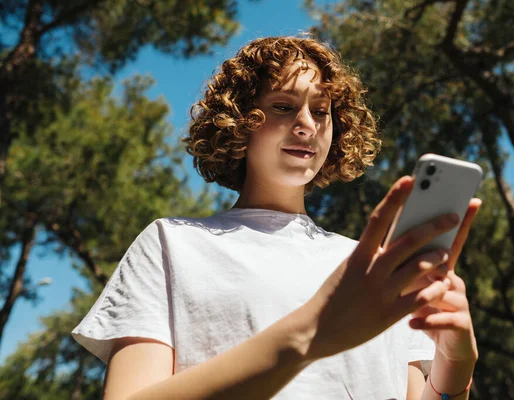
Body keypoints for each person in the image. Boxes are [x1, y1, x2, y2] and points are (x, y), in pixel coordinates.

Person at [73, 36, 481, 400]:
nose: (307, 125)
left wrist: (454, 369)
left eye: (321, 112)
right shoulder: (173, 243)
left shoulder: (371, 269)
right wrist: (310, 334)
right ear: (239, 121)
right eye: (284, 106)